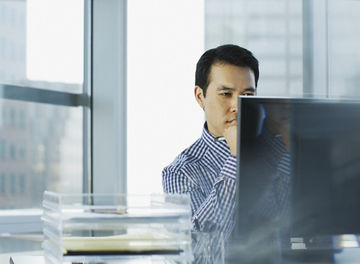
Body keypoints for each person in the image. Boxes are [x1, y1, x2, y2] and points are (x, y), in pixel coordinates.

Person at [162, 44, 259, 236]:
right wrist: (235, 159)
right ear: (200, 97)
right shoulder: (180, 172)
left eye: (247, 95)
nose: (237, 107)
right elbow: (200, 249)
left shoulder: (278, 151)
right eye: (226, 94)